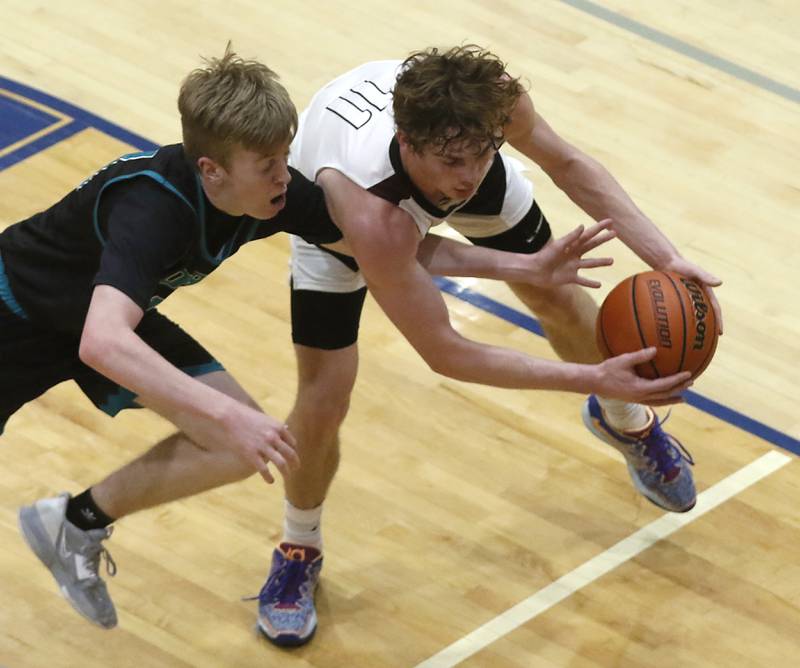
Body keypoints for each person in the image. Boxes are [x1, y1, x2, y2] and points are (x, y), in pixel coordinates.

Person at [6, 46, 632, 631]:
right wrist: (226, 410)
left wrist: (522, 266)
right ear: (212, 170)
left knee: (245, 444)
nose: (288, 176)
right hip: (20, 318)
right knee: (235, 424)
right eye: (271, 165)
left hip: (92, 317)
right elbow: (103, 342)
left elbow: (390, 249)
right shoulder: (152, 208)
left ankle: (74, 523)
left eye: (286, 155)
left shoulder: (271, 194)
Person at [255, 45, 722, 646]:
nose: (468, 177)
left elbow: (570, 164)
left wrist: (665, 256)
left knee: (558, 293)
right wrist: (591, 378)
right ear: (407, 139)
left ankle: (625, 422)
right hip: (341, 232)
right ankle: (300, 544)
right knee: (324, 396)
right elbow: (446, 351)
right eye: (454, 161)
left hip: (406, 201)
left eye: (483, 155)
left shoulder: (484, 110)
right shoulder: (365, 208)